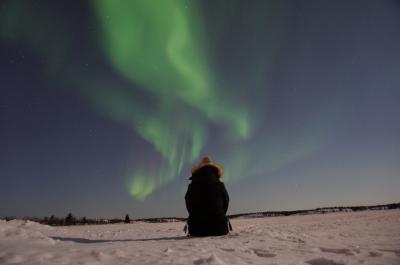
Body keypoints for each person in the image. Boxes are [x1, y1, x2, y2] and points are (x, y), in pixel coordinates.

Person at [185, 156, 230, 236]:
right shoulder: (220, 185)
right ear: (215, 170)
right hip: (220, 229)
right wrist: (219, 215)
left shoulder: (192, 186)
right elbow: (226, 201)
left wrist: (195, 216)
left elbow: (189, 204)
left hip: (196, 230)